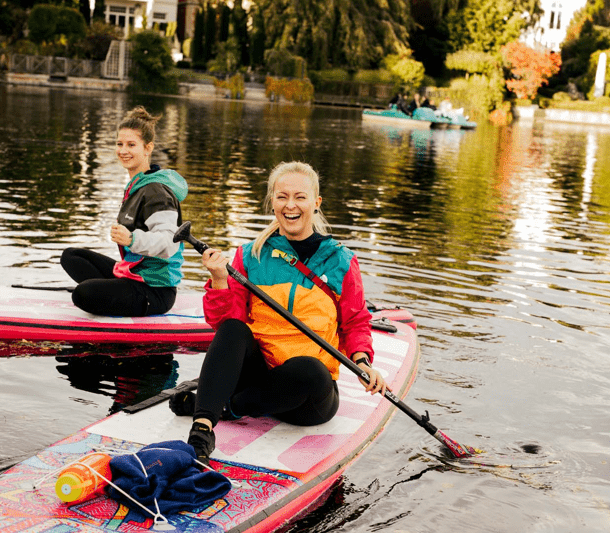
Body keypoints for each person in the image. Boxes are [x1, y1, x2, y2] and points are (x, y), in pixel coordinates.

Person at [169, 161, 386, 464]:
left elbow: (355, 322)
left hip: (307, 394)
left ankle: (225, 406)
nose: (290, 205)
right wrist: (219, 280)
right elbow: (224, 324)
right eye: (282, 197)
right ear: (272, 203)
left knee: (310, 369)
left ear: (316, 203)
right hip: (258, 373)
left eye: (300, 196)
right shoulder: (251, 255)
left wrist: (363, 361)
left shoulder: (341, 261)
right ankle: (202, 431)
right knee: (234, 329)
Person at [60, 106, 188, 317]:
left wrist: (131, 239)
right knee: (71, 257)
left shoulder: (156, 191)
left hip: (155, 290)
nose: (123, 151)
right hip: (134, 274)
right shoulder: (137, 185)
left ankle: (112, 293)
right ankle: (116, 289)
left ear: (148, 148)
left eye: (131, 145)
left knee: (82, 295)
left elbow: (168, 244)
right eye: (119, 144)